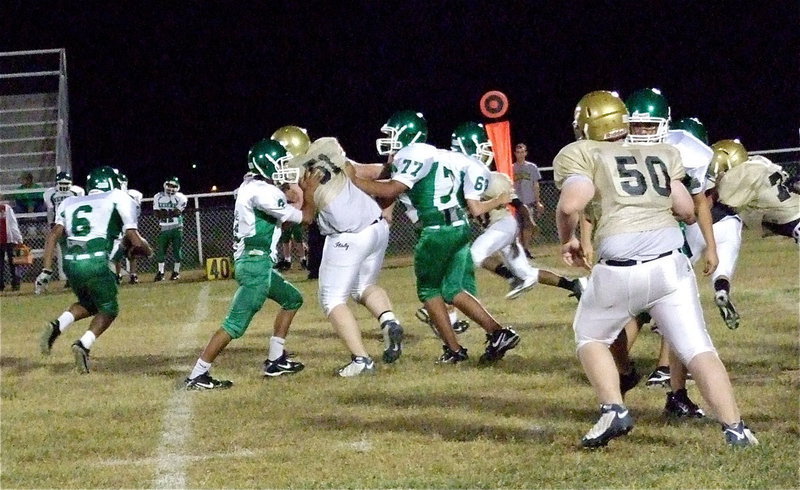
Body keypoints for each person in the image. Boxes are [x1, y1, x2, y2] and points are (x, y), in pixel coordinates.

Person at [554, 90, 757, 448]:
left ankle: (613, 408)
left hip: (619, 268)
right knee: (697, 347)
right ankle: (736, 429)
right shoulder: (660, 151)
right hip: (669, 266)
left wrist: (568, 239)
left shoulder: (582, 152)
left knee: (590, 336)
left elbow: (572, 203)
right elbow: (685, 209)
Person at [347, 110, 520, 366]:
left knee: (429, 291)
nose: (389, 140)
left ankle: (454, 350)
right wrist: (348, 166)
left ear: (407, 134)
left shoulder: (412, 153)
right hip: (458, 226)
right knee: (452, 289)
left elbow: (392, 188)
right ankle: (498, 332)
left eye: (392, 134)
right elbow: (380, 175)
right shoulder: (436, 154)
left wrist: (353, 182)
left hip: (436, 230)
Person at [184, 140, 311, 389]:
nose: (285, 168)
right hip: (255, 264)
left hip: (256, 261)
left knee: (292, 299)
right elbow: (305, 218)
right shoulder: (264, 192)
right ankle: (197, 375)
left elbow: (280, 219)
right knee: (234, 324)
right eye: (280, 164)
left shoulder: (251, 185)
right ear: (266, 166)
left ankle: (275, 359)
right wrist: (309, 192)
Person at [623, 89, 718, 394]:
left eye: (649, 126)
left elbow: (698, 203)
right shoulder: (614, 148)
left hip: (671, 236)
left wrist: (710, 246)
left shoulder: (685, 150)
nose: (642, 132)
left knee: (673, 305)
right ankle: (620, 368)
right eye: (636, 126)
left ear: (664, 124)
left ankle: (664, 369)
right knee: (633, 309)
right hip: (629, 235)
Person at [290, 136, 404, 376]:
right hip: (376, 226)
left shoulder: (302, 173)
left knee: (331, 299)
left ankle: (361, 360)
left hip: (348, 235)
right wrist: (391, 164)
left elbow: (306, 216)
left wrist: (306, 195)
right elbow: (368, 171)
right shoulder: (331, 153)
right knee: (363, 286)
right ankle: (389, 321)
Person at [37, 166, 152, 373]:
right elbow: (134, 239)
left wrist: (46, 270)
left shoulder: (68, 200)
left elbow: (53, 235)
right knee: (109, 309)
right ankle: (83, 344)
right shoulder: (118, 196)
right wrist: (147, 250)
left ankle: (57, 326)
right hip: (98, 260)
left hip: (71, 263)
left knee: (90, 303)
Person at [713, 139, 800, 244]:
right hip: (788, 212)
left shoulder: (740, 175)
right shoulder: (756, 163)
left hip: (790, 218)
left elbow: (718, 200)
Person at [42, 172, 85, 285]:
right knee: (65, 253)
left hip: (73, 225)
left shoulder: (77, 191)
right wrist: (51, 223)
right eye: (61, 183)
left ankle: (78, 277)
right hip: (60, 225)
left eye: (66, 183)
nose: (64, 186)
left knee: (77, 251)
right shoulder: (50, 194)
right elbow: (50, 210)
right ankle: (69, 278)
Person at [152, 176, 187, 281]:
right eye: (169, 185)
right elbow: (157, 213)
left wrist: (165, 213)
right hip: (164, 227)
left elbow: (177, 212)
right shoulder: (158, 196)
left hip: (177, 227)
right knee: (161, 251)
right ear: (165, 185)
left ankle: (176, 272)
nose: (171, 188)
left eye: (174, 186)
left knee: (177, 250)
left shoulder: (181, 197)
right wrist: (168, 213)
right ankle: (161, 272)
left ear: (178, 187)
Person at [111, 173, 143, 284]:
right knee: (116, 253)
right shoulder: (112, 196)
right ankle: (118, 274)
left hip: (128, 227)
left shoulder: (133, 195)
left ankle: (133, 275)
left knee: (132, 253)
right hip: (117, 228)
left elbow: (137, 212)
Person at [512, 143, 543, 258]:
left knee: (528, 226)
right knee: (517, 227)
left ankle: (526, 249)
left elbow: (535, 185)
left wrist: (538, 201)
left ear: (526, 153)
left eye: (522, 152)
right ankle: (519, 249)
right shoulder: (511, 168)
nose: (520, 154)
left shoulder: (532, 167)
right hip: (515, 203)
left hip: (528, 201)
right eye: (518, 152)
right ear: (515, 153)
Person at [0, 199, 23, 292]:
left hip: (7, 238)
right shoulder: (6, 208)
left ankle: (1, 285)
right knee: (13, 262)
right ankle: (15, 283)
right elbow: (13, 224)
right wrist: (19, 238)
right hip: (10, 238)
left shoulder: (7, 208)